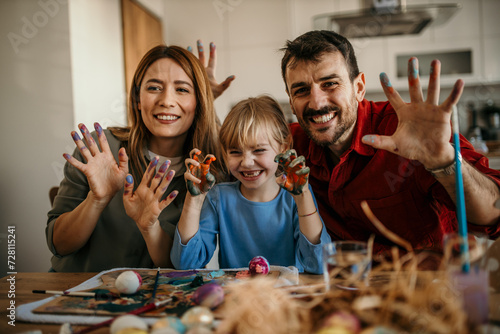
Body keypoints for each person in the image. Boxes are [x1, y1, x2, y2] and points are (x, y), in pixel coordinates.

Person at [280, 30, 500, 255]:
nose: (317, 103)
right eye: (302, 90)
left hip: (427, 284)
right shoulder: (289, 145)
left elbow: (493, 217)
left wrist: (443, 161)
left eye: (330, 84)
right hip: (339, 286)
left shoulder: (410, 129)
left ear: (359, 88)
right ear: (291, 100)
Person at [46, 41, 233, 272]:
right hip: (74, 293)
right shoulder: (101, 149)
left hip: (149, 302)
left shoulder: (205, 174)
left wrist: (149, 227)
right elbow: (59, 245)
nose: (166, 100)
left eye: (182, 89)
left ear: (199, 102)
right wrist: (96, 200)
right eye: (154, 88)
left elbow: (178, 268)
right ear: (137, 97)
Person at [170, 95, 331, 274]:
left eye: (259, 150)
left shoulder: (297, 197)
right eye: (235, 152)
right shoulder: (217, 197)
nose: (246, 162)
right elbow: (186, 263)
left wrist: (303, 199)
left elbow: (318, 264)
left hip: (287, 297)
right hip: (237, 297)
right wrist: (194, 200)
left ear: (283, 147)